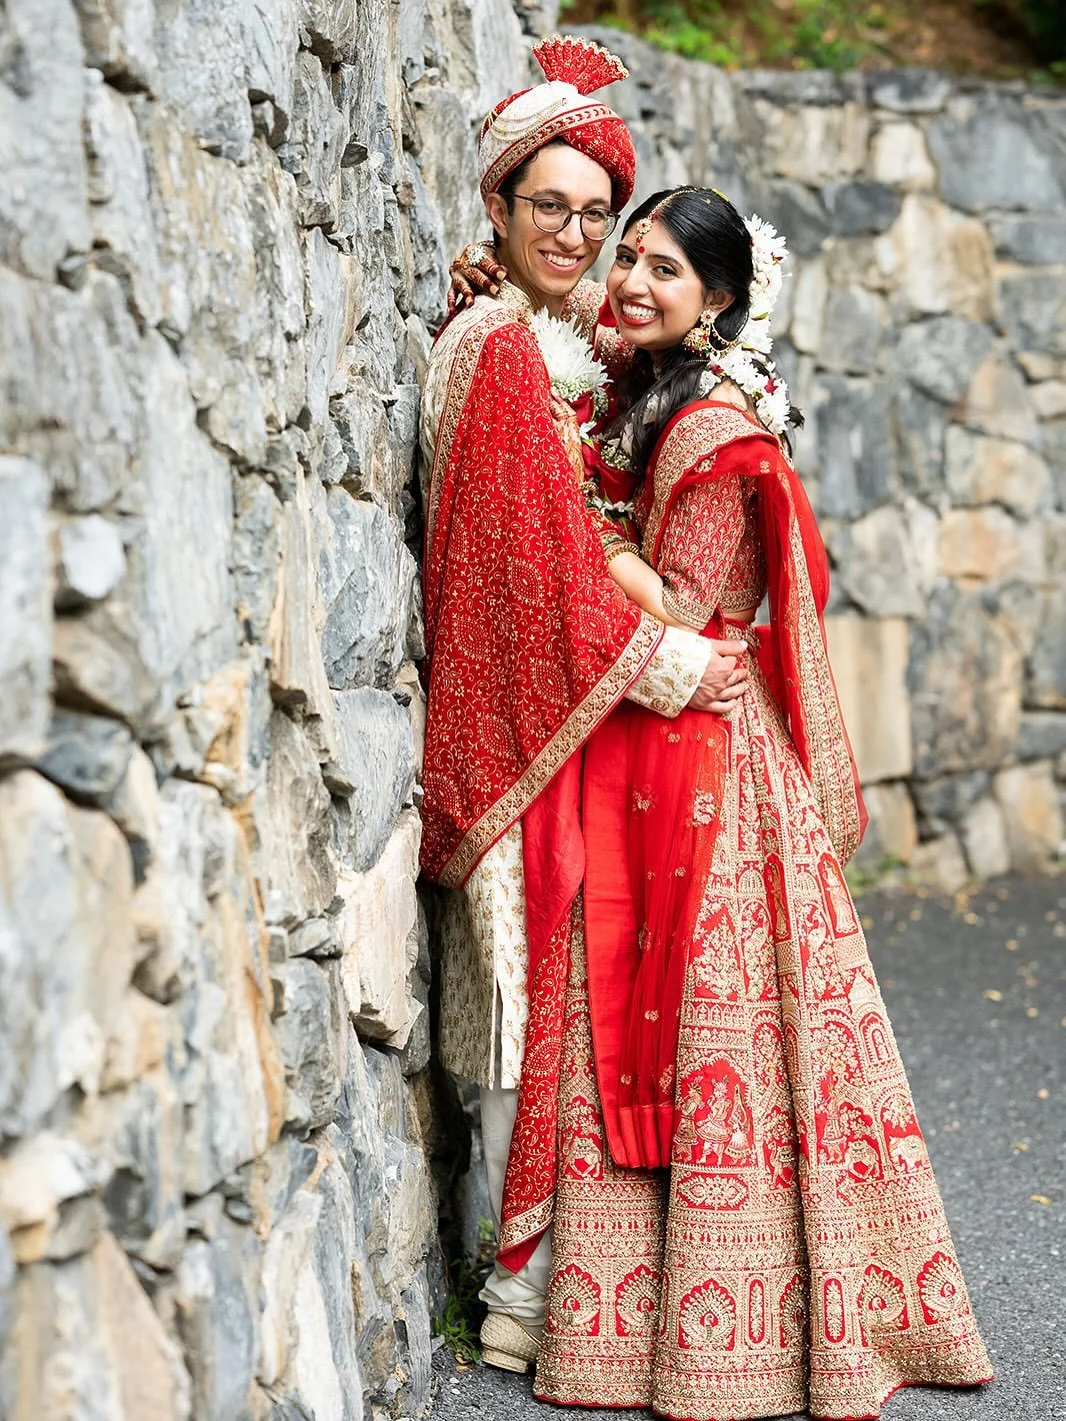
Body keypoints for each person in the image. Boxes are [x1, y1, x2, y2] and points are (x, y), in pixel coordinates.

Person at [506, 186, 993, 1419]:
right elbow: (581, 353)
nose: (628, 283)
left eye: (664, 271)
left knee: (704, 1026)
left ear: (718, 300)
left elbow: (684, 602)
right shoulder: (661, 385)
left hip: (703, 751)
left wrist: (591, 542)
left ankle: (756, 1326)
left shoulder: (712, 424)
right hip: (681, 736)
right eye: (629, 258)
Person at [418, 43, 751, 1374]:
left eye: (586, 214)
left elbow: (566, 513)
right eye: (542, 205)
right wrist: (676, 666)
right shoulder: (500, 351)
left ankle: (534, 1302)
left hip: (524, 708)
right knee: (511, 1003)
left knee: (535, 998)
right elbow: (528, 565)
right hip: (506, 719)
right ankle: (511, 1306)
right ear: (494, 208)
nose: (570, 233)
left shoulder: (525, 339)